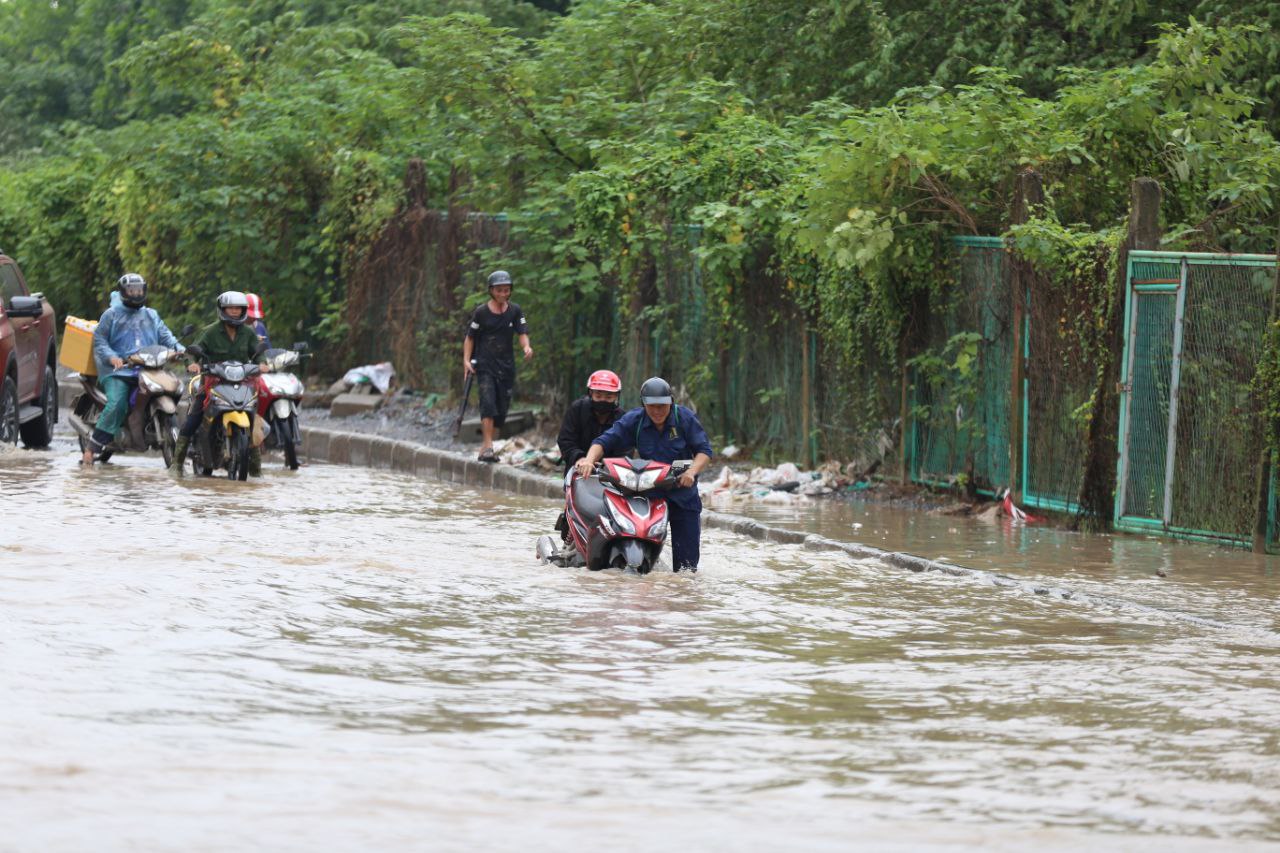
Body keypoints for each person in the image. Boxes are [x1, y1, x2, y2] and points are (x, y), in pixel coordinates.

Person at [576, 377, 713, 571]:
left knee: (686, 568)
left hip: (682, 492)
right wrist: (589, 460)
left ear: (670, 402)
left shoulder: (684, 418)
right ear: (643, 405)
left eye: (662, 406)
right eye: (651, 407)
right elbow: (604, 441)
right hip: (650, 493)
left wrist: (692, 472)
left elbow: (704, 451)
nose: (657, 412)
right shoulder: (636, 419)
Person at [83, 273, 185, 466]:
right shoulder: (111, 314)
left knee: (173, 388)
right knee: (117, 403)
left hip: (148, 368)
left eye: (139, 290)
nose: (136, 294)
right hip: (119, 371)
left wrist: (179, 349)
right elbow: (100, 340)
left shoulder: (151, 314)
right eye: (132, 290)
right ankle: (91, 449)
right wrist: (112, 357)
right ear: (123, 292)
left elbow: (165, 335)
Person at [170, 291, 269, 475]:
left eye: (238, 308)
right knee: (194, 419)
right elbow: (192, 352)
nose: (234, 312)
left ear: (243, 311)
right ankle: (176, 464)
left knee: (253, 419)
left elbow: (258, 352)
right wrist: (192, 364)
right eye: (230, 308)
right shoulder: (210, 331)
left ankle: (256, 470)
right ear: (222, 310)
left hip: (242, 382)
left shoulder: (248, 333)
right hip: (212, 382)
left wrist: (262, 363)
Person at [462, 270, 532, 462]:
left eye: (506, 290)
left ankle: (490, 443)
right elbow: (470, 338)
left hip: (506, 367)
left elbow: (522, 332)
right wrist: (467, 361)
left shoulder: (515, 311)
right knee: (488, 403)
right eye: (499, 290)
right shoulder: (481, 313)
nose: (503, 294)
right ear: (491, 291)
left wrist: (526, 347)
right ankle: (487, 446)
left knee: (501, 410)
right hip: (485, 366)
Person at [557, 369, 623, 473]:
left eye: (608, 397)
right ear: (590, 393)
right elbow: (565, 440)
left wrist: (605, 466)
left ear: (616, 396)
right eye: (598, 396)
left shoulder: (622, 418)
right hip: (576, 469)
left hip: (611, 475)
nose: (603, 400)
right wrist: (579, 458)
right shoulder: (577, 409)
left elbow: (625, 450)